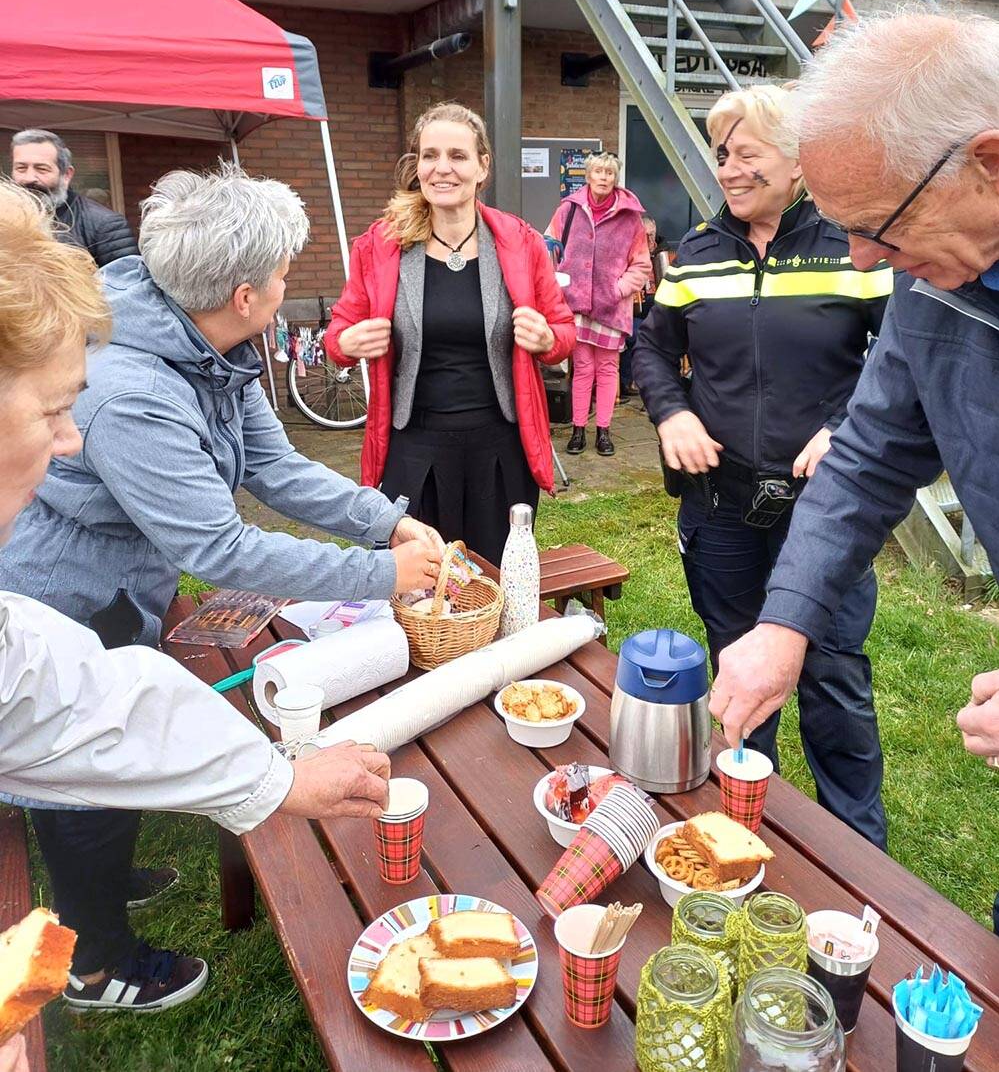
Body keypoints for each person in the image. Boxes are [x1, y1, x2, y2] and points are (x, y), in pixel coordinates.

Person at [0, 164, 443, 1012]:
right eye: (282, 276)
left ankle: (107, 872)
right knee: (82, 751)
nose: (287, 287)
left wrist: (381, 520)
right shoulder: (133, 394)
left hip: (122, 588)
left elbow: (273, 465)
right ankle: (95, 962)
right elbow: (218, 545)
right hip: (64, 591)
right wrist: (381, 573)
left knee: (108, 755)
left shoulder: (219, 346)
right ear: (244, 293)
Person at [702, 10, 999, 928]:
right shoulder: (931, 277)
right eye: (844, 229)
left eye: (878, 227)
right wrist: (784, 622)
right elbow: (868, 460)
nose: (865, 261)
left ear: (990, 162)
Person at [633, 85, 893, 848]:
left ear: (798, 161)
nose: (730, 170)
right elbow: (650, 345)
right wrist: (671, 411)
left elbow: (899, 357)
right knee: (739, 666)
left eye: (748, 153)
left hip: (825, 507)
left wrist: (846, 428)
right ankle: (754, 829)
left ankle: (857, 853)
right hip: (720, 507)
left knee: (832, 676)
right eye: (722, 155)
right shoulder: (699, 249)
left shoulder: (853, 245)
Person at [327, 102, 575, 565]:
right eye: (430, 155)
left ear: (483, 166)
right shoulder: (382, 246)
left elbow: (562, 332)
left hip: (500, 451)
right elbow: (338, 333)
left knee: (494, 583)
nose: (442, 168)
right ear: (416, 164)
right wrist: (346, 343)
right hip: (414, 449)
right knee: (418, 589)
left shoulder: (520, 244)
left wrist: (547, 341)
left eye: (457, 156)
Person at [546, 152, 651, 458]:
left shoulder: (630, 217)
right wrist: (556, 278)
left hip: (610, 307)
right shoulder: (569, 210)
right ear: (588, 175)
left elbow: (641, 264)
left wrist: (618, 288)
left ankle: (603, 430)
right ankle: (579, 429)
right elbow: (548, 244)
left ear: (615, 177)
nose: (604, 177)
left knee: (607, 370)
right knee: (581, 369)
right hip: (576, 305)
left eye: (609, 172)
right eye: (599, 172)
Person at [10, 129, 138, 267]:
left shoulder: (104, 224)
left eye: (41, 169)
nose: (29, 178)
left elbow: (128, 284)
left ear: (66, 175)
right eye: (21, 168)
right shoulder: (5, 218)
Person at [621, 212, 658, 399]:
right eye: (646, 235)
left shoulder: (662, 255)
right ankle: (628, 381)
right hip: (632, 312)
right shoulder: (629, 255)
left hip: (655, 310)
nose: (650, 239)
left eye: (652, 235)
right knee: (636, 334)